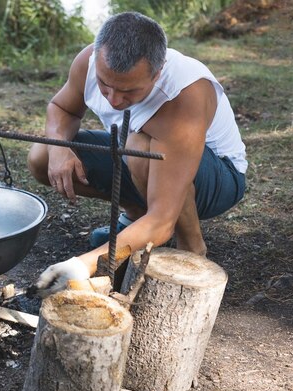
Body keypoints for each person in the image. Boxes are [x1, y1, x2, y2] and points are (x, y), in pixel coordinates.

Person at [28, 12, 246, 297]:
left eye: (129, 91)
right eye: (105, 84)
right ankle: (135, 219)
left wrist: (83, 265)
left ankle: (192, 250)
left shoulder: (183, 95)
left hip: (217, 179)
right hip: (138, 157)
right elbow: (62, 108)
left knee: (140, 147)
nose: (114, 100)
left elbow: (162, 219)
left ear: (157, 73)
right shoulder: (89, 61)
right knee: (42, 155)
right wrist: (58, 149)